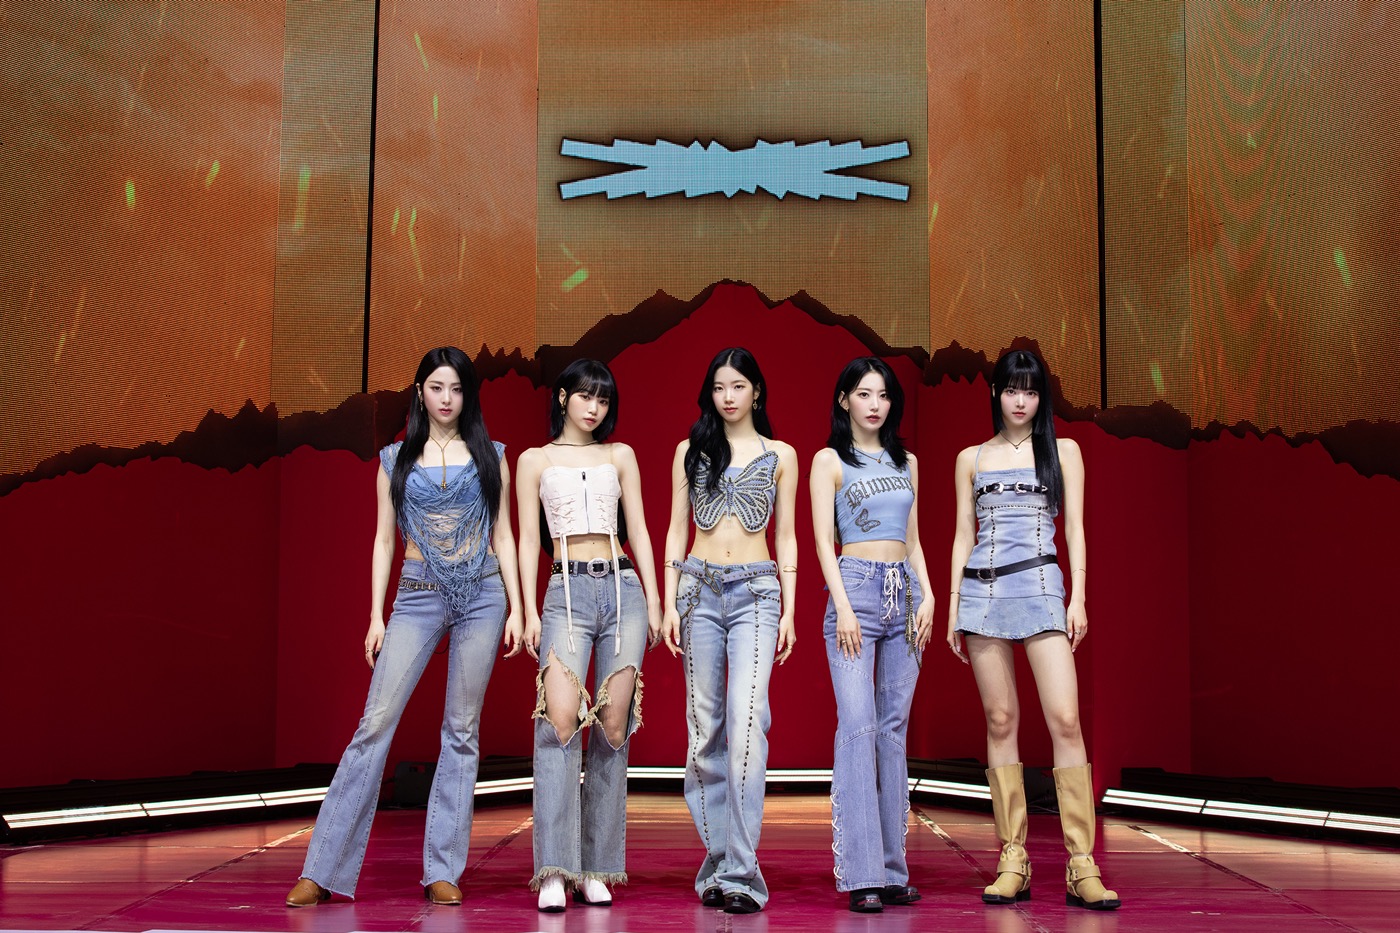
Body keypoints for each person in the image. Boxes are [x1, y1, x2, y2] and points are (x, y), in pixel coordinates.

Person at [285, 346, 524, 908]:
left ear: (468, 395)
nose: (447, 399)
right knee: (374, 724)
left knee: (461, 731)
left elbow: (505, 534)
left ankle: (443, 869)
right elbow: (384, 540)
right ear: (420, 392)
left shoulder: (492, 456)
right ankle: (321, 870)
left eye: (457, 389)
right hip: (416, 594)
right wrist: (375, 615)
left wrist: (518, 606)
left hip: (483, 592)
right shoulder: (395, 459)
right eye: (437, 388)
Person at [946, 348, 1121, 911]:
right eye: (1011, 389)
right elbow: (963, 534)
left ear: (1041, 397)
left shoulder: (1063, 450)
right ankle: (1012, 859)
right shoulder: (971, 457)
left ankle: (1081, 863)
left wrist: (1079, 598)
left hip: (1043, 589)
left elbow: (1076, 531)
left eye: (1030, 391)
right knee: (1000, 721)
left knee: (1065, 719)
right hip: (983, 593)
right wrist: (953, 607)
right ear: (996, 394)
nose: (1020, 401)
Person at [514, 359, 663, 912]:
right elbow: (527, 539)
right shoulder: (534, 460)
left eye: (603, 399)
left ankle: (597, 867)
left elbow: (638, 528)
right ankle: (556, 869)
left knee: (614, 726)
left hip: (623, 591)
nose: (594, 408)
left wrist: (658, 601)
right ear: (562, 398)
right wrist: (526, 609)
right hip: (564, 593)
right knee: (559, 723)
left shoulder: (620, 455)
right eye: (584, 396)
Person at [660, 347, 798, 915]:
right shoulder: (690, 451)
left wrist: (790, 608)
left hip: (757, 593)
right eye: (719, 387)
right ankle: (719, 859)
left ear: (756, 391)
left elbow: (786, 535)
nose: (728, 396)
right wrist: (669, 600)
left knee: (747, 726)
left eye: (738, 386)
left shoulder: (781, 454)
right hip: (697, 588)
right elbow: (675, 529)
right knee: (704, 731)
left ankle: (741, 873)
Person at [809, 357, 935, 913]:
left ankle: (891, 869)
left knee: (892, 731)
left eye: (883, 395)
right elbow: (822, 541)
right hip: (855, 590)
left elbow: (914, 539)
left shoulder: (908, 462)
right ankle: (862, 873)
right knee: (858, 726)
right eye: (864, 394)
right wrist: (842, 606)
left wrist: (929, 595)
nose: (875, 404)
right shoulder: (829, 460)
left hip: (905, 591)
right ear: (844, 400)